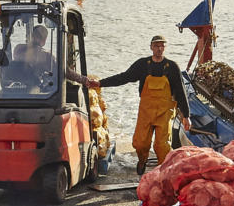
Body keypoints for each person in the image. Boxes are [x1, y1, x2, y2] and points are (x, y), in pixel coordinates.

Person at [81, 35, 191, 174]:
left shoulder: (172, 67)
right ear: (151, 47)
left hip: (165, 112)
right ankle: (142, 160)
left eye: (162, 45)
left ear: (165, 48)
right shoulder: (142, 64)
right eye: (156, 45)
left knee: (162, 145)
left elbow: (181, 91)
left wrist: (186, 116)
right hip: (146, 111)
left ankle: (163, 172)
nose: (159, 48)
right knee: (140, 143)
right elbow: (124, 77)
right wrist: (101, 83)